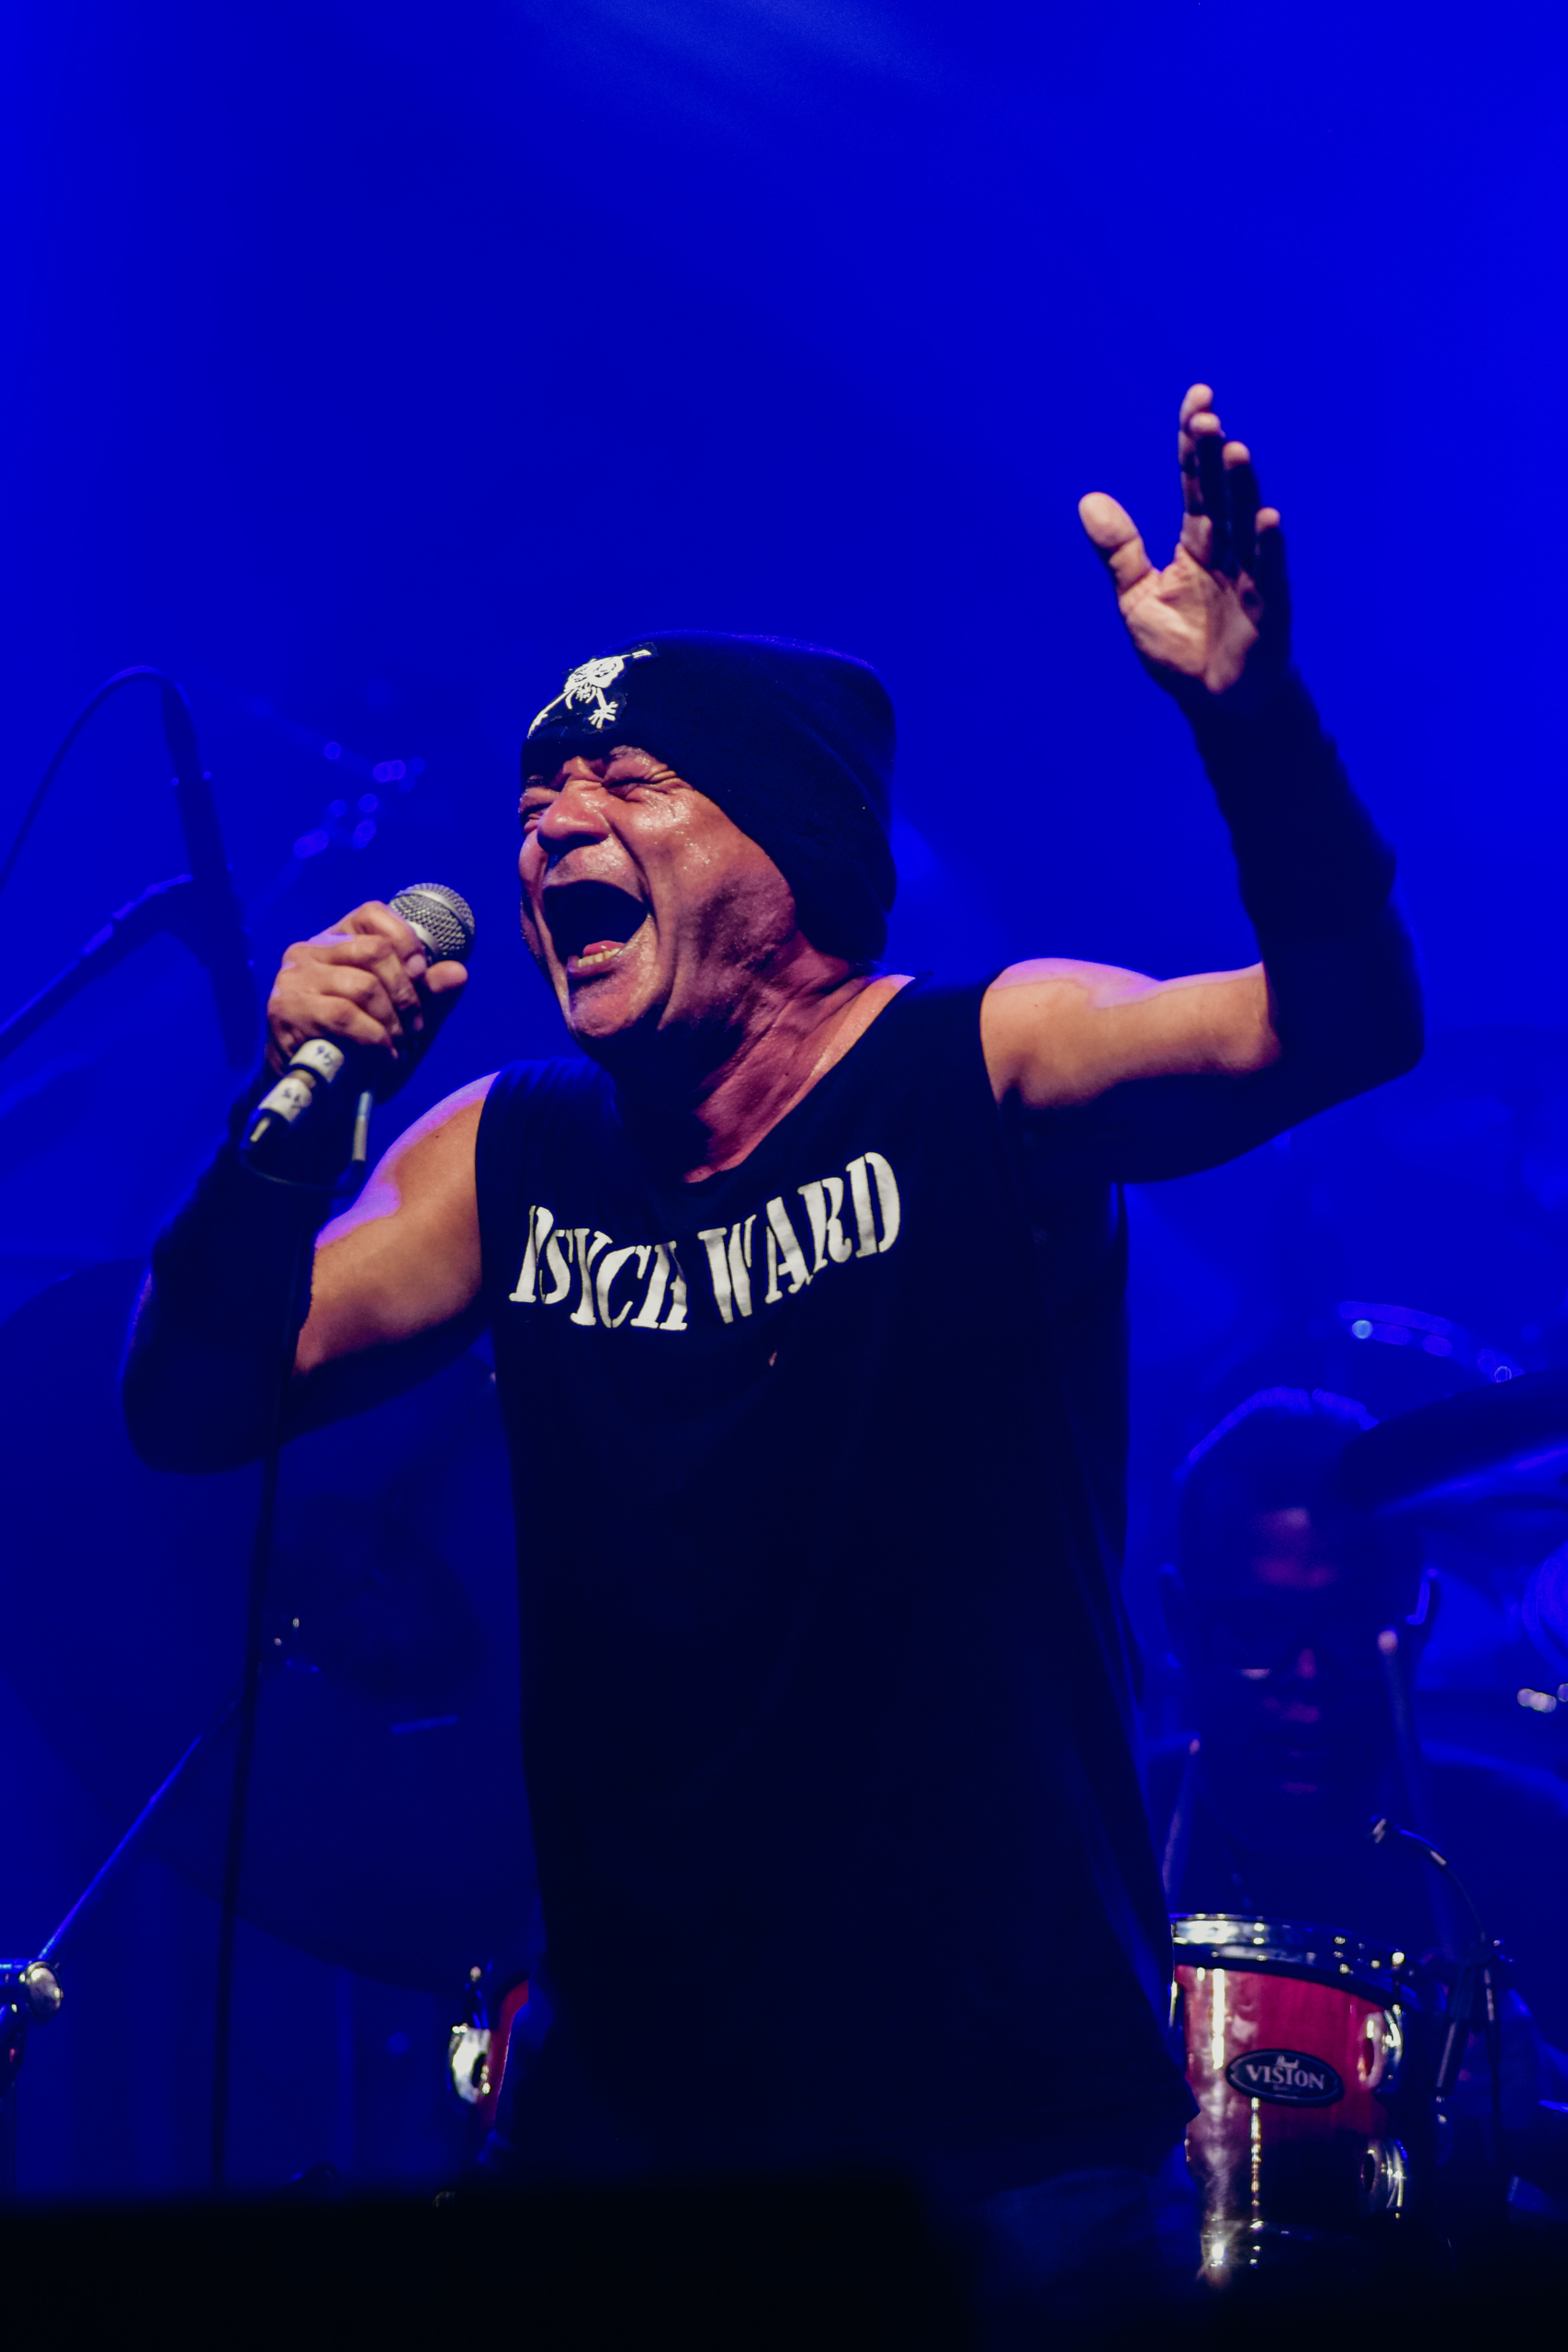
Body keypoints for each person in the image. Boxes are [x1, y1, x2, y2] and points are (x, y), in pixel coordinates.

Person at [124, 386, 1421, 2308]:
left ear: (787, 844)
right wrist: (284, 1113)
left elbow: (1337, 1026)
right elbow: (191, 1397)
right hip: (631, 2124)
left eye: (627, 784)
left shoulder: (982, 1064)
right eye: (535, 805)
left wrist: (1256, 725)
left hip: (994, 2131)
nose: (552, 824)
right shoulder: (506, 1154)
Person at [1153, 1386, 1568, 2200]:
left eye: (1351, 1629)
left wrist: (1535, 2082)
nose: (1307, 1679)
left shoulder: (1536, 1839)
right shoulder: (1100, 1844)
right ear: (1177, 1622)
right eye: (1253, 1631)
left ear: (1419, 1625)